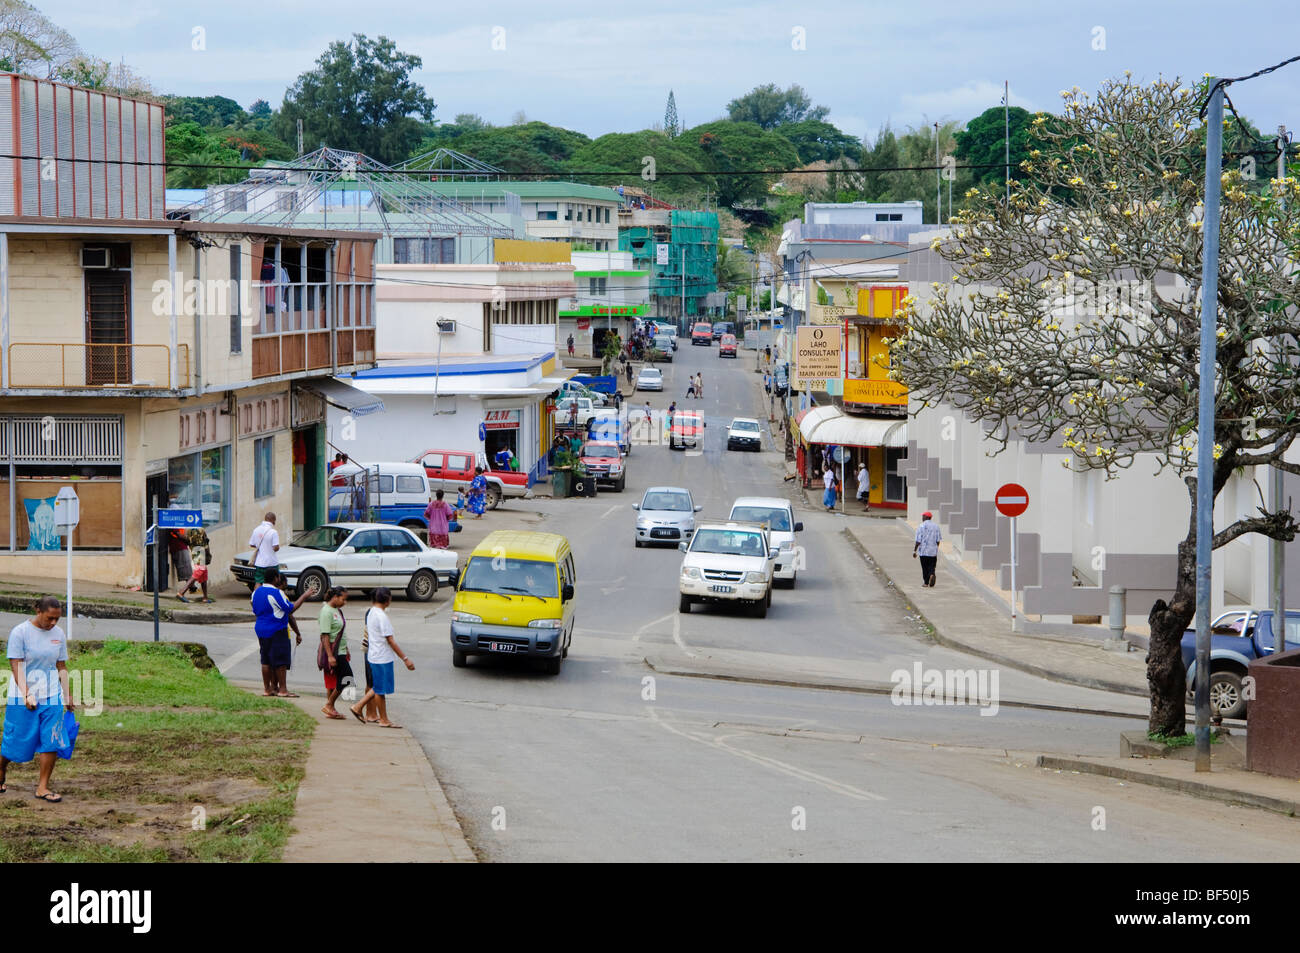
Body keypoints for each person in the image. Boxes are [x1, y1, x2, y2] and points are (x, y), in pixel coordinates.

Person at [1, 596, 75, 802]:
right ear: (38, 611)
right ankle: (1, 770)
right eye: (49, 618)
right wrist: (27, 694)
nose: (53, 623)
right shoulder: (20, 632)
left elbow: (61, 666)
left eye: (57, 619)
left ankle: (43, 787)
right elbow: (16, 665)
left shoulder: (58, 634)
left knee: (51, 739)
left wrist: (67, 693)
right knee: (16, 741)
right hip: (21, 695)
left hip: (51, 695)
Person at [350, 588, 415, 729]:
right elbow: (391, 641)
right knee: (380, 690)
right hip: (382, 657)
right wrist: (405, 659)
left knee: (379, 686)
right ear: (387, 600)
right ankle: (383, 719)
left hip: (374, 655)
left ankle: (358, 706)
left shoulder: (371, 612)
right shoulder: (381, 616)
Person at [252, 569, 308, 697]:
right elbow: (290, 609)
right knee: (280, 661)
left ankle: (267, 689)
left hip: (261, 628)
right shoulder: (277, 593)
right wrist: (304, 596)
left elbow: (254, 609)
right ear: (276, 578)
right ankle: (283, 690)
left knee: (265, 660)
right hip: (276, 629)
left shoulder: (256, 592)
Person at [318, 587, 351, 720]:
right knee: (348, 678)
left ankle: (331, 708)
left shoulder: (337, 611)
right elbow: (325, 635)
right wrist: (330, 655)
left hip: (341, 651)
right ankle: (329, 704)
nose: (345, 602)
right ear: (335, 597)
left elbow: (340, 632)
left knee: (337, 679)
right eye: (343, 599)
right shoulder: (326, 611)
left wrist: (346, 648)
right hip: (333, 652)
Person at [248, 513, 280, 584]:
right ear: (273, 520)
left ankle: (256, 595)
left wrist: (261, 546)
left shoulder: (256, 530)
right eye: (275, 521)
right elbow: (276, 548)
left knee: (258, 582)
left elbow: (251, 544)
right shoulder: (273, 532)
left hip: (259, 563)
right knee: (274, 583)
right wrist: (275, 547)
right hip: (271, 563)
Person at [913, 511, 943, 587]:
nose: (922, 518)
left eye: (923, 516)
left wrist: (914, 551)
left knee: (924, 567)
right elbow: (938, 540)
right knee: (932, 566)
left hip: (923, 552)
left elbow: (918, 541)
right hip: (933, 551)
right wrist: (935, 548)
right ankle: (932, 574)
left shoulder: (921, 526)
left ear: (926, 517)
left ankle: (926, 583)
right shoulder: (936, 526)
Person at [169, 528, 194, 603]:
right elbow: (179, 534)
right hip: (178, 547)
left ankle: (191, 587)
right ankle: (185, 591)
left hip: (182, 546)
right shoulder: (174, 521)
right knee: (186, 569)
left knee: (188, 568)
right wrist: (189, 540)